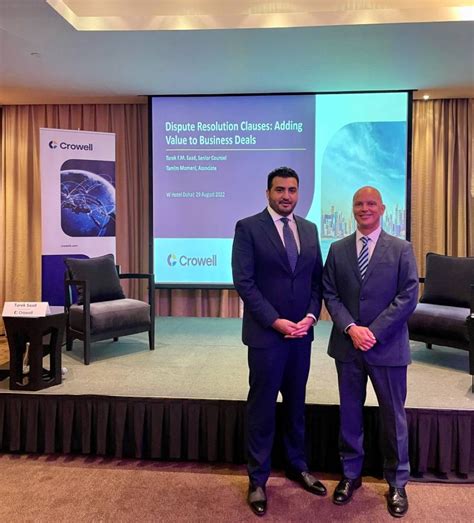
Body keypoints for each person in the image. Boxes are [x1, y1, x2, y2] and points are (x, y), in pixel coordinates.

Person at [232, 166, 326, 517]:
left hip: (301, 335)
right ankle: (258, 479)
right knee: (262, 407)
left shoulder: (309, 229)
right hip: (266, 336)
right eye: (279, 190)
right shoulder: (248, 228)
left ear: (298, 193)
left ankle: (298, 466)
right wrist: (276, 321)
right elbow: (244, 282)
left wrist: (311, 317)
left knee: (297, 404)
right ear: (268, 193)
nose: (286, 196)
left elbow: (317, 281)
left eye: (292, 190)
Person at [323, 186, 418, 518]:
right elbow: (330, 293)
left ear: (382, 208)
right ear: (352, 209)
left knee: (393, 418)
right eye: (359, 204)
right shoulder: (337, 249)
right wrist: (352, 328)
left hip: (387, 348)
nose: (364, 208)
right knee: (350, 415)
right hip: (348, 347)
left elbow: (408, 296)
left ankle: (397, 482)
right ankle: (351, 475)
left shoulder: (402, 249)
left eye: (371, 204)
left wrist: (372, 332)